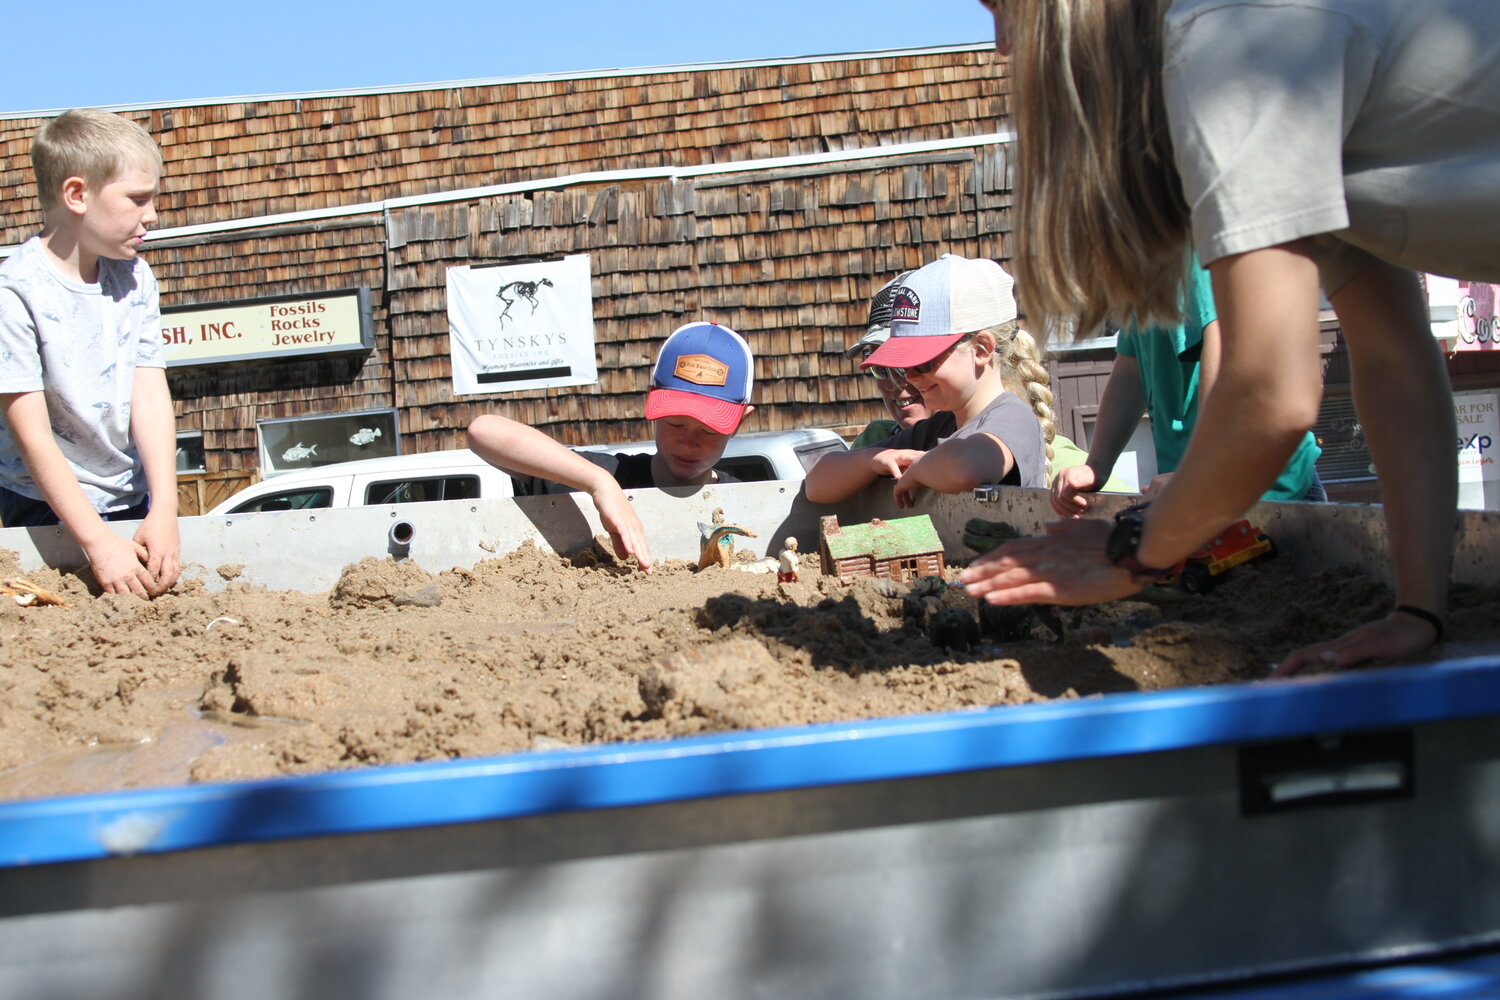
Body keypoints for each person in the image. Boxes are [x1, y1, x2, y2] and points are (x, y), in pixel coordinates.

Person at [965, 0, 1500, 674]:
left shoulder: (1226, 39)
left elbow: (1271, 391)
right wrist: (1419, 612)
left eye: (1005, 8)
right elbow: (1393, 356)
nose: (1003, 45)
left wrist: (1138, 550)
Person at [0, 108, 180, 598]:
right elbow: (31, 433)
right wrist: (97, 542)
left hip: (130, 495)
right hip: (42, 505)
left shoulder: (135, 277)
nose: (152, 215)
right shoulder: (14, 292)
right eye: (138, 199)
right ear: (77, 194)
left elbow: (148, 392)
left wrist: (165, 506)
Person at [468, 320, 756, 574]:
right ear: (651, 400)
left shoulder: (750, 503)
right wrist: (599, 484)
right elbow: (483, 432)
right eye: (675, 424)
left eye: (709, 429)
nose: (688, 442)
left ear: (739, 423)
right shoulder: (609, 474)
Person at [1051, 255, 1325, 518]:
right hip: (1203, 490)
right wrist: (1097, 466)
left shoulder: (1190, 250)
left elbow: (1226, 345)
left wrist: (1197, 471)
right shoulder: (1140, 270)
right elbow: (1130, 373)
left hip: (1265, 491)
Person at [806, 254, 1054, 507]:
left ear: (981, 349)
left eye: (923, 363)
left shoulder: (1013, 416)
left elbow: (966, 467)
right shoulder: (937, 428)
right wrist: (875, 458)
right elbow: (816, 485)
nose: (911, 377)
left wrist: (919, 466)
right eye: (904, 366)